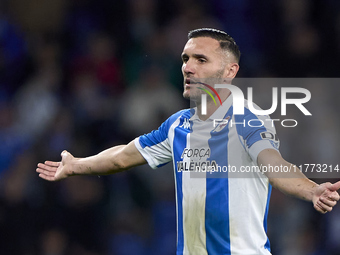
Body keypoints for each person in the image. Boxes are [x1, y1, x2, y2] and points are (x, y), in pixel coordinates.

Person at [37, 28, 340, 255]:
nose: (187, 67)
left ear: (230, 71)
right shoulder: (177, 125)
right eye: (185, 59)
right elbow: (122, 157)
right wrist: (77, 165)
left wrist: (312, 189)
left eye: (200, 59)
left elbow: (274, 165)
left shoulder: (248, 118)